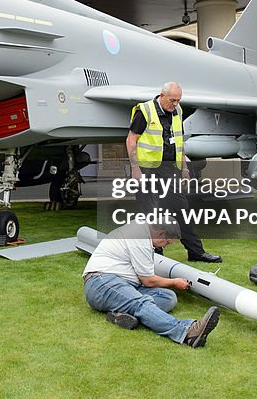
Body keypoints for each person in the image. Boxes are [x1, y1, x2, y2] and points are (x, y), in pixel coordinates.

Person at [83, 222, 221, 348]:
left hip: (125, 284)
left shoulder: (144, 235)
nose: (164, 246)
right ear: (161, 233)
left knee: (168, 297)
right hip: (101, 282)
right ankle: (187, 333)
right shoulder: (139, 237)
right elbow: (148, 280)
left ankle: (119, 315)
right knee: (141, 303)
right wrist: (174, 282)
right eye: (167, 242)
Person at [126, 81, 221, 263]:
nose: (175, 104)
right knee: (151, 215)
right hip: (147, 170)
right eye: (172, 100)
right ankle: (155, 256)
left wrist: (184, 168)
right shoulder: (144, 111)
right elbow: (131, 140)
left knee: (181, 209)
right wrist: (135, 168)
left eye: (178, 100)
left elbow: (179, 142)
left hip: (170, 170)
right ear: (162, 96)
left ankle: (196, 252)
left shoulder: (177, 111)